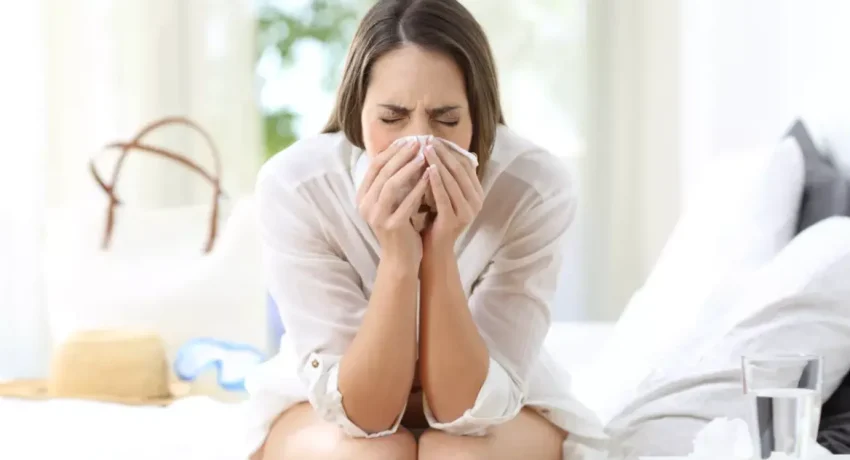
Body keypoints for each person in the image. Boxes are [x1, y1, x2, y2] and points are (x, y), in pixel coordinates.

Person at [246, 0, 606, 459]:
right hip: (330, 409)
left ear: (479, 115)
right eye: (392, 119)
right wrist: (399, 257)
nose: (419, 145)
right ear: (358, 114)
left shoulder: (533, 188)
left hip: (500, 411)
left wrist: (438, 251)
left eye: (447, 119)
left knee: (453, 454)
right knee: (373, 454)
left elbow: (466, 409)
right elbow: (366, 414)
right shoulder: (298, 186)